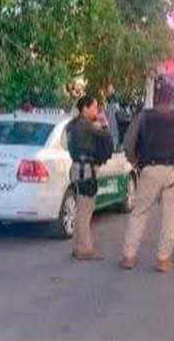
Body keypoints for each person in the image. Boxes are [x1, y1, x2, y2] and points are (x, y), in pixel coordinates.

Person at [121, 79, 174, 272]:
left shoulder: (142, 118)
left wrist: (135, 162)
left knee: (139, 213)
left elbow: (128, 144)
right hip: (173, 174)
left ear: (156, 98)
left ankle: (129, 256)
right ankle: (163, 259)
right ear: (173, 99)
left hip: (149, 170)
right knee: (170, 217)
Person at [65, 96, 113, 261]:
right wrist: (104, 122)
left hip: (77, 168)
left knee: (81, 209)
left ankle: (78, 246)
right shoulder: (86, 125)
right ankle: (84, 249)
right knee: (86, 211)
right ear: (85, 108)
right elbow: (104, 135)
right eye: (94, 107)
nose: (97, 110)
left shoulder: (73, 124)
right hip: (86, 169)